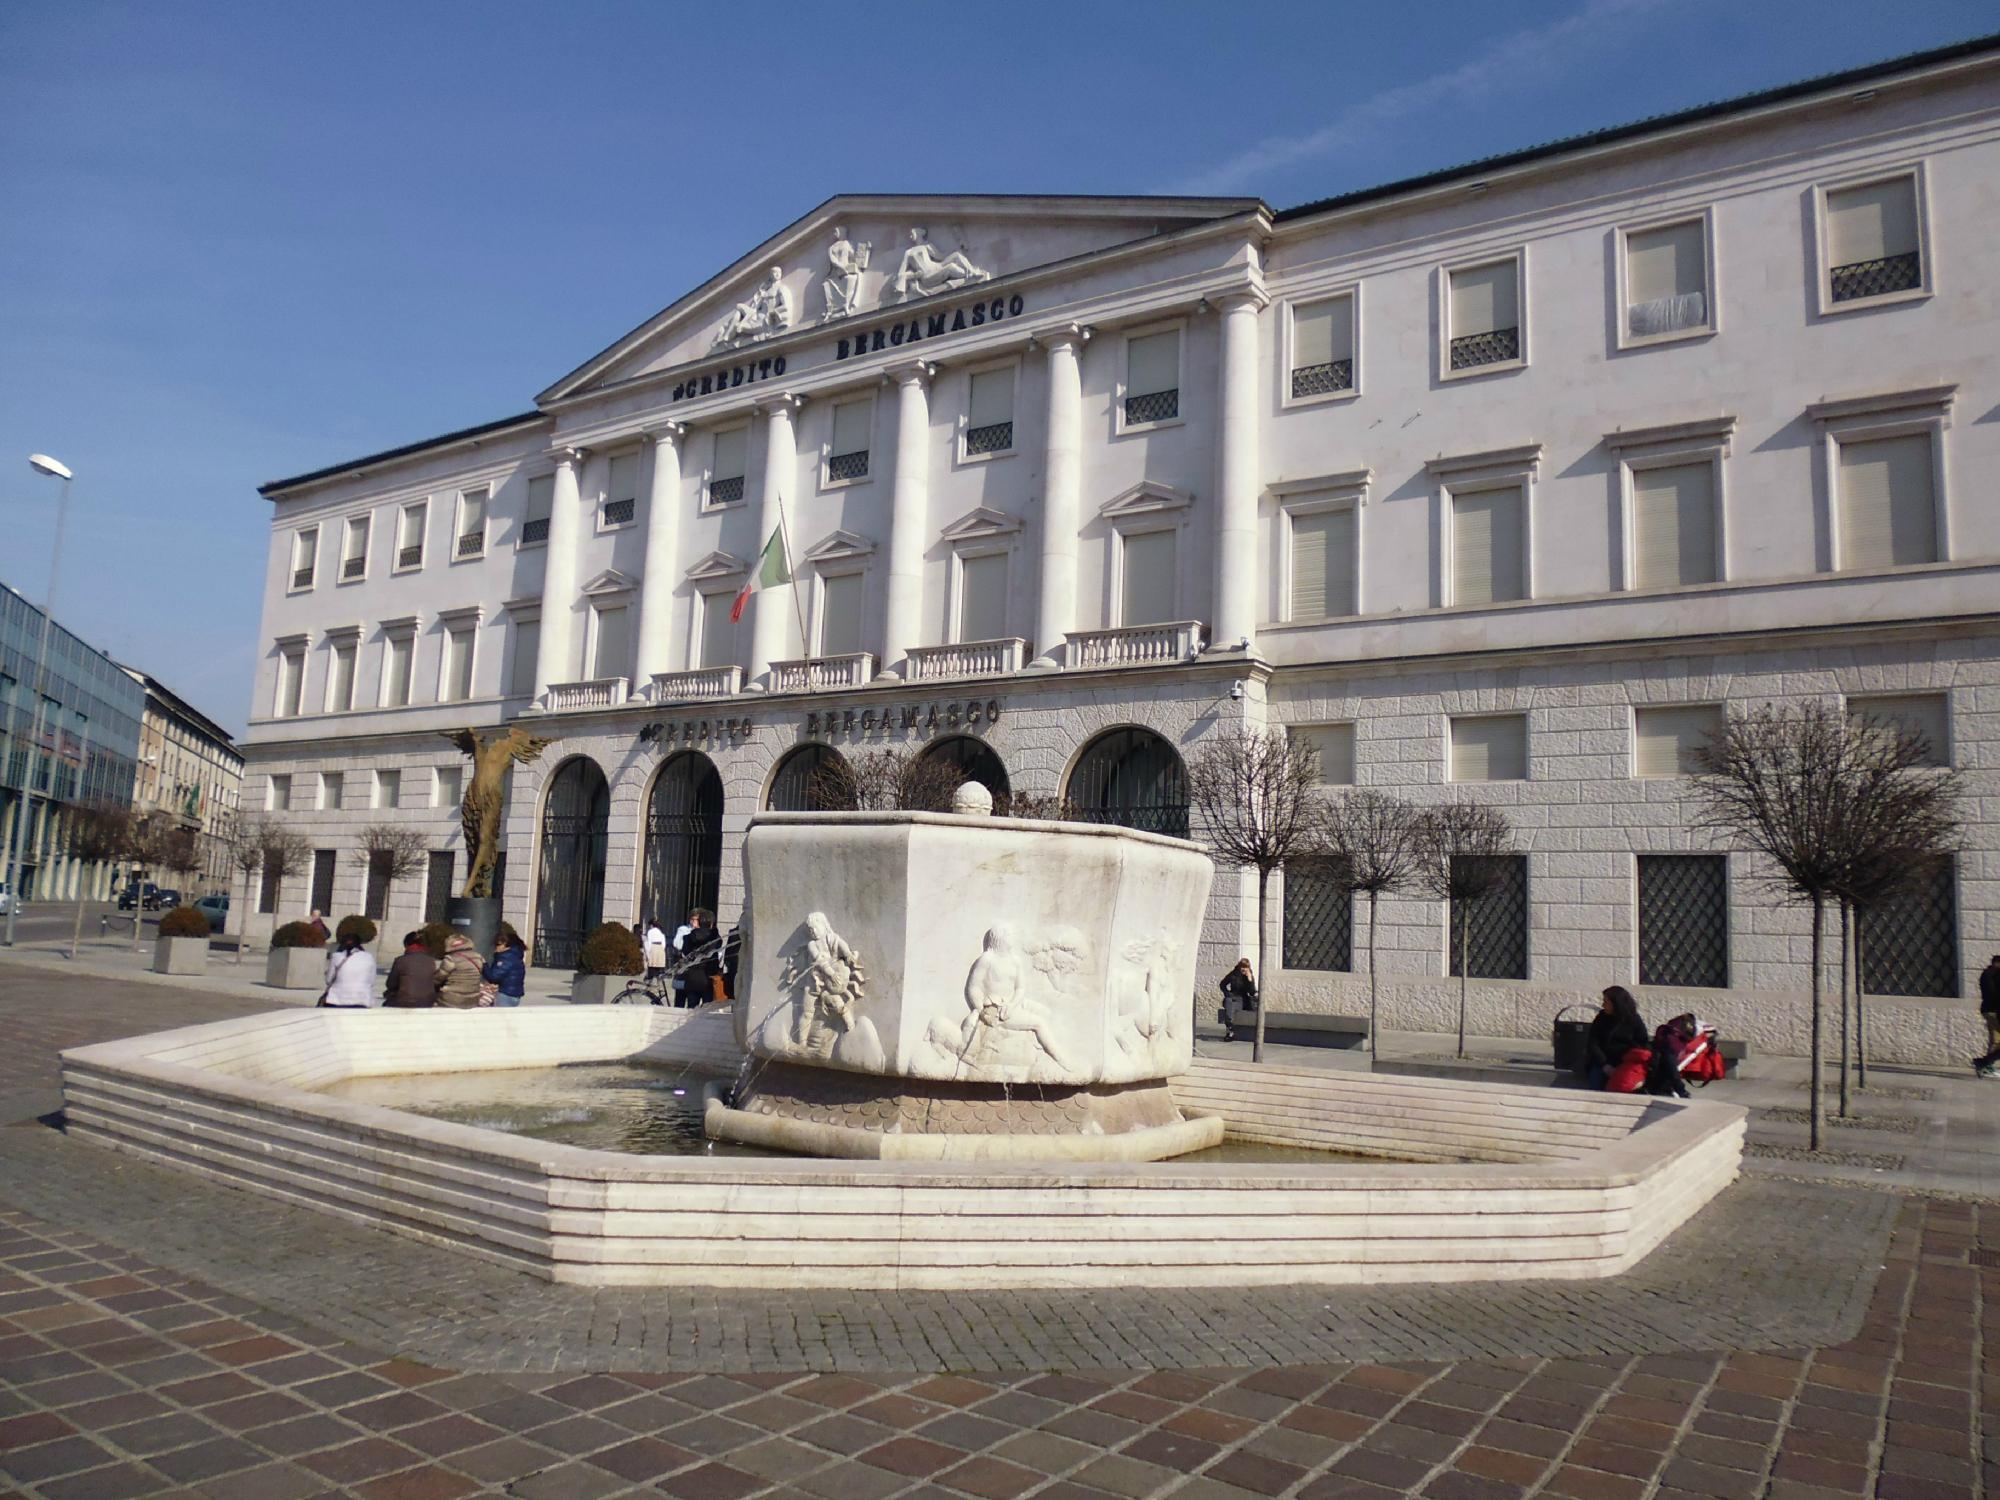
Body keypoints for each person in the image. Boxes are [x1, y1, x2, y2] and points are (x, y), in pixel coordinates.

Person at [1587, 986, 1650, 1091]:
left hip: (1625, 1061)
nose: (1603, 1005)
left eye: (1606, 1002)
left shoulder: (1633, 1019)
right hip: (1603, 1061)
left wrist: (1625, 1062)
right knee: (1596, 1082)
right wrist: (1605, 1064)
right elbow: (1592, 1043)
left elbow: (1642, 1043)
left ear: (1616, 1004)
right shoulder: (1601, 1017)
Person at [320, 931, 379, 1008]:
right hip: (362, 999)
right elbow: (372, 981)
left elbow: (328, 980)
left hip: (337, 999)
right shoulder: (369, 957)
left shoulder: (337, 956)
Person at [433, 932, 487, 1008]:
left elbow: (438, 978)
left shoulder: (450, 959)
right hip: (473, 998)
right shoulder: (478, 957)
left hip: (452, 999)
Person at [383, 932, 437, 1008]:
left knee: (388, 996)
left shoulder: (400, 960)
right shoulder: (431, 961)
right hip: (428, 1001)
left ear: (406, 944)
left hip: (405, 1001)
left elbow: (390, 984)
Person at [483, 926, 527, 1008]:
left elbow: (493, 977)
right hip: (514, 993)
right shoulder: (516, 955)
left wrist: (484, 965)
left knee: (499, 1017)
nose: (496, 947)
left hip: (506, 994)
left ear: (506, 945)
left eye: (498, 944)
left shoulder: (506, 958)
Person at [1973, 954, 2000, 1077]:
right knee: (1995, 1039)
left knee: (1996, 1039)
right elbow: (1993, 993)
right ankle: (1985, 1065)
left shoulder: (1990, 974)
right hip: (1992, 1010)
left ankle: (1984, 1064)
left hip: (1991, 1009)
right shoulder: (1991, 974)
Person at [642, 919, 669, 985]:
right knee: (659, 966)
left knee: (651, 966)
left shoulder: (650, 932)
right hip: (660, 949)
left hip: (653, 948)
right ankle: (658, 982)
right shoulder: (661, 933)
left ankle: (650, 981)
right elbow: (663, 944)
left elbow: (649, 942)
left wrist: (648, 953)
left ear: (651, 925)